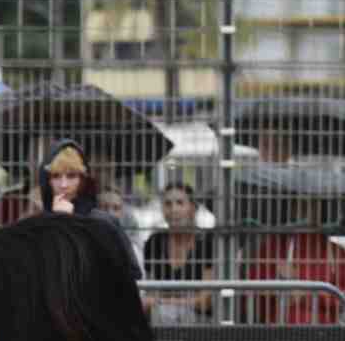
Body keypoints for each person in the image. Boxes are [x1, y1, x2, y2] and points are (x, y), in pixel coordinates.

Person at [35, 139, 143, 276]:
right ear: (47, 181)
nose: (63, 184)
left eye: (71, 176)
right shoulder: (36, 226)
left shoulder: (104, 223)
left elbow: (132, 273)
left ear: (82, 180)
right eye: (56, 176)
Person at [141, 183, 215, 324]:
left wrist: (161, 301)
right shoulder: (154, 242)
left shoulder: (206, 243)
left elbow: (205, 301)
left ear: (192, 208)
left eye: (180, 203)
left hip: (199, 322)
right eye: (168, 204)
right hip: (162, 321)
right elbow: (149, 294)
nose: (173, 209)